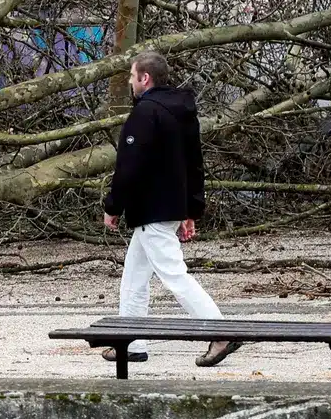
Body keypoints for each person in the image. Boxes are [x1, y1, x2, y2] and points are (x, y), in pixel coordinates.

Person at [102, 51, 240, 367]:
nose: (129, 81)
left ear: (144, 78)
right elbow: (194, 165)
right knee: (134, 277)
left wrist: (114, 206)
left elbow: (129, 167)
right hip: (168, 208)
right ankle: (131, 342)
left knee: (175, 275)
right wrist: (189, 209)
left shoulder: (145, 113)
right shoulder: (182, 111)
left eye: (132, 76)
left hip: (152, 209)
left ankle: (221, 332)